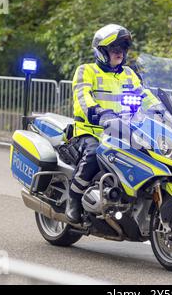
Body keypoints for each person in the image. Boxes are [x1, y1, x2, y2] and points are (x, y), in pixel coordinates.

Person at [66, 24, 162, 224]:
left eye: (122, 49)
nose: (119, 53)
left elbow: (145, 95)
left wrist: (161, 110)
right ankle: (73, 199)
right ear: (101, 51)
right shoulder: (86, 71)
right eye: (114, 48)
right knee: (93, 154)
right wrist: (99, 113)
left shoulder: (128, 73)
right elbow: (82, 98)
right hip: (90, 131)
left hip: (124, 132)